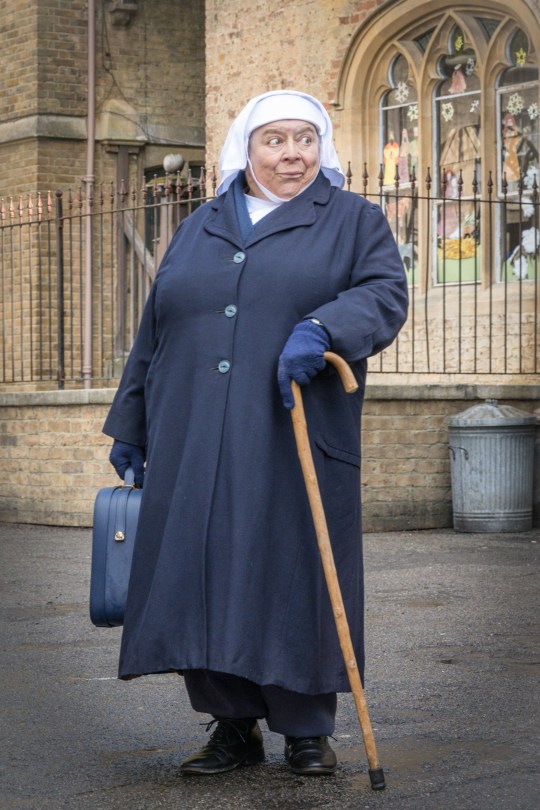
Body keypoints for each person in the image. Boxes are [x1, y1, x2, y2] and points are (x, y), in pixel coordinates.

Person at [104, 89, 408, 776]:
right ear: (247, 147)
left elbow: (386, 294)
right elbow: (157, 323)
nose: (293, 153)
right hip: (191, 428)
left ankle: (307, 730)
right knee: (202, 569)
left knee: (290, 566)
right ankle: (232, 726)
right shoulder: (201, 223)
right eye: (276, 140)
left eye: (306, 139)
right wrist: (132, 421)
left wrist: (325, 326)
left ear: (322, 148)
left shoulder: (353, 220)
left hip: (289, 427)